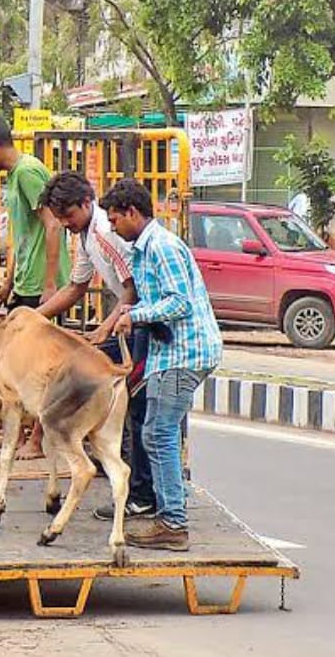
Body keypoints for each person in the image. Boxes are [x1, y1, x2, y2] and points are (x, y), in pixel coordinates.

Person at [100, 180, 223, 552]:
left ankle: (173, 522)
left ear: (133, 213)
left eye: (116, 219)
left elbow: (179, 303)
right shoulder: (145, 247)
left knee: (160, 433)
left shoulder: (163, 247)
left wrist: (135, 315)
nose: (113, 228)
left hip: (185, 353)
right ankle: (169, 513)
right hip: (168, 354)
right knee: (155, 432)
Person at [34, 171, 156, 520]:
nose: (65, 223)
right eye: (59, 218)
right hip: (127, 320)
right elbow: (75, 287)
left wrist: (103, 329)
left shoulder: (105, 232)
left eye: (68, 216)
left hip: (141, 322)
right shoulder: (86, 235)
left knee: (137, 407)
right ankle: (108, 460)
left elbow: (132, 290)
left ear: (86, 204)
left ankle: (143, 493)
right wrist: (33, 319)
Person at [0, 113, 71, 459]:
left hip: (41, 283)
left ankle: (38, 439)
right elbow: (22, 235)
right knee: (15, 364)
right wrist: (8, 282)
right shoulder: (14, 177)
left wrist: (51, 283)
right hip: (25, 279)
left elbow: (52, 225)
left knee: (40, 366)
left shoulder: (27, 172)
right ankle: (16, 432)